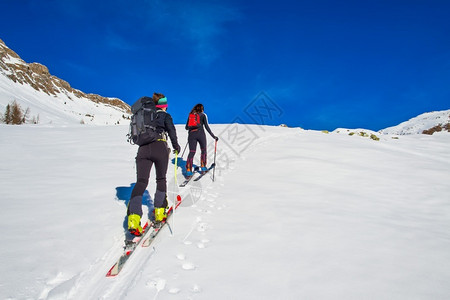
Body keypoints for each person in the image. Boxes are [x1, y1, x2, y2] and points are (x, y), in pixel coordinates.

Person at [127, 93, 181, 236]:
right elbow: (172, 131)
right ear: (164, 105)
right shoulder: (165, 116)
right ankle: (159, 212)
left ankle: (133, 218)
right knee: (161, 179)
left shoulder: (146, 116)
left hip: (143, 149)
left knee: (141, 181)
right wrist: (176, 146)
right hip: (160, 147)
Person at [185, 103, 218, 176]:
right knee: (203, 150)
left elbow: (186, 127)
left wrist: (192, 128)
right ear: (201, 109)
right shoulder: (203, 115)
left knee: (192, 152)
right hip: (201, 134)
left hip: (191, 135)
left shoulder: (191, 115)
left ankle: (188, 170)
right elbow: (206, 127)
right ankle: (203, 167)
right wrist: (213, 136)